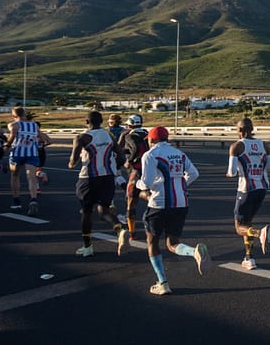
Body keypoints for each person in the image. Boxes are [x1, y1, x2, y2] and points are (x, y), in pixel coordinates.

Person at [136, 125, 211, 295]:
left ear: (152, 139)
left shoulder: (150, 155)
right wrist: (181, 184)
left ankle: (162, 282)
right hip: (181, 202)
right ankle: (194, 252)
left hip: (159, 204)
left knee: (152, 243)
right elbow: (194, 174)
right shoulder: (179, 154)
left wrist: (137, 185)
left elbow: (146, 183)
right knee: (172, 243)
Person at [68, 111, 125, 257]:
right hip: (107, 177)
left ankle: (88, 247)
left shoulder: (82, 137)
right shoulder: (109, 135)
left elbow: (73, 161)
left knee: (86, 212)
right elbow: (120, 156)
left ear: (87, 121)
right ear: (102, 121)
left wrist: (72, 163)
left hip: (89, 178)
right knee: (104, 210)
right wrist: (114, 168)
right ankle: (119, 229)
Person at [226, 118, 270, 270]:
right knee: (247, 223)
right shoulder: (264, 145)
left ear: (240, 130)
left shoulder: (236, 146)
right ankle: (249, 258)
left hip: (246, 189)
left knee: (239, 227)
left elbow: (232, 172)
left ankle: (260, 233)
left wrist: (228, 173)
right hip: (262, 188)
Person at [115, 113, 149, 255]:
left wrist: (130, 160)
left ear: (129, 124)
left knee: (131, 199)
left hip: (136, 170)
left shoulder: (129, 135)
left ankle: (132, 231)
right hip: (150, 169)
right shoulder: (147, 134)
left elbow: (133, 148)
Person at [6, 106, 49, 215]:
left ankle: (16, 200)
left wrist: (7, 145)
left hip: (17, 153)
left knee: (15, 175)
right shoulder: (34, 125)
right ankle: (33, 199)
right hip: (32, 153)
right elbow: (42, 138)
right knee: (31, 177)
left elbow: (12, 137)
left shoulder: (13, 125)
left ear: (13, 115)